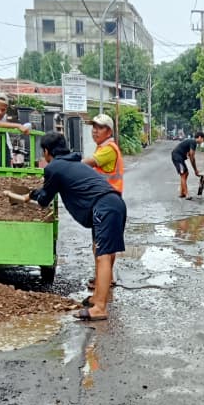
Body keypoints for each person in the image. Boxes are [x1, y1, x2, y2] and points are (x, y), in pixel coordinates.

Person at [30, 133, 127, 321]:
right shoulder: (75, 162)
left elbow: (44, 199)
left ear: (46, 151)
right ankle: (99, 297)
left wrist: (31, 195)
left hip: (103, 206)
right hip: (114, 202)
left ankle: (99, 307)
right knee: (103, 251)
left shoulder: (54, 167)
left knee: (102, 255)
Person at [83, 113, 125, 291]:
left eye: (99, 127)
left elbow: (87, 164)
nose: (94, 131)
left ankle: (103, 281)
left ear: (108, 131)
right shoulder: (104, 147)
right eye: (94, 127)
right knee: (107, 243)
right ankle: (107, 277)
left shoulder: (108, 149)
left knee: (100, 245)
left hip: (106, 201)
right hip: (109, 200)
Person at [172, 132, 204, 199]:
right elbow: (192, 156)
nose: (202, 142)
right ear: (199, 137)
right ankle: (186, 194)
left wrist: (195, 170)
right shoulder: (193, 142)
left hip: (179, 157)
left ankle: (182, 193)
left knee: (186, 173)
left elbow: (190, 155)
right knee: (183, 174)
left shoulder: (192, 142)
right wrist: (195, 170)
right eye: (203, 140)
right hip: (177, 157)